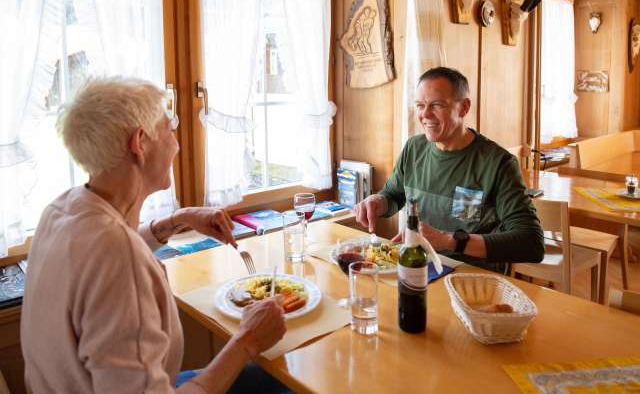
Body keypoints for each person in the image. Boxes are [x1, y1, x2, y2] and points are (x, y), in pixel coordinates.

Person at [21, 78, 288, 393]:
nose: (176, 144)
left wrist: (177, 220)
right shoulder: (118, 255)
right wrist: (247, 341)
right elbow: (115, 254)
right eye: (169, 129)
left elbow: (104, 247)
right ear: (140, 142)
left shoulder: (61, 210)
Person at [353, 67, 544, 271]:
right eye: (420, 105)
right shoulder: (413, 149)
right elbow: (393, 195)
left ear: (464, 107)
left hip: (472, 279)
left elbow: (531, 242)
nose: (425, 114)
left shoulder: (498, 163)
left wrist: (448, 240)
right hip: (418, 269)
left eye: (437, 105)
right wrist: (377, 202)